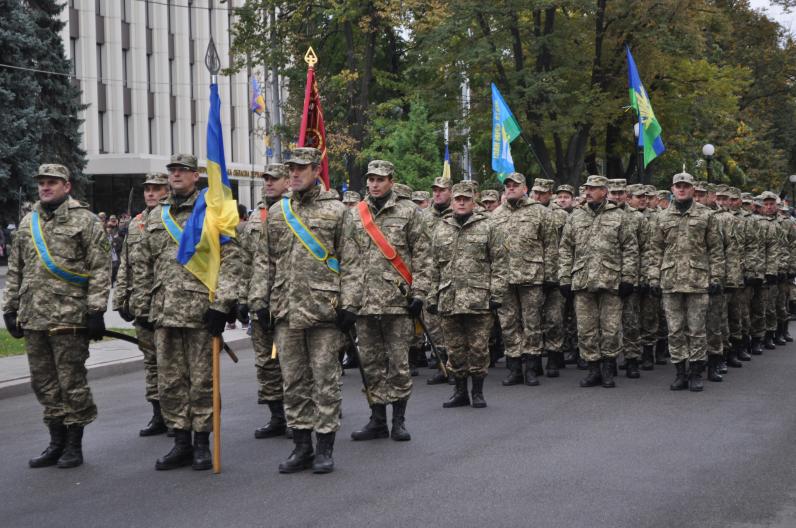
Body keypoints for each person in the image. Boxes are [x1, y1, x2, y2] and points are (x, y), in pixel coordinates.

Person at [131, 154, 240, 471]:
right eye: (172, 171)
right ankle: (181, 442)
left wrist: (222, 305)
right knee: (170, 383)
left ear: (196, 176)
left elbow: (232, 260)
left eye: (183, 171)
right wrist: (141, 308)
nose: (176, 175)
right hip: (164, 313)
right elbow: (143, 266)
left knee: (202, 382)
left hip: (201, 313)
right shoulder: (157, 215)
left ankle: (202, 443)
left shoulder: (213, 210)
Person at [3, 164, 111, 468]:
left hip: (69, 317)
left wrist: (96, 310)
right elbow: (16, 269)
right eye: (42, 183)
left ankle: (74, 444)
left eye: (52, 182)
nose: (45, 187)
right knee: (44, 383)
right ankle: (56, 441)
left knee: (71, 382)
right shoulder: (28, 222)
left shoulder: (86, 221)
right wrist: (9, 308)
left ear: (67, 186)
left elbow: (100, 268)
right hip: (34, 317)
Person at [248, 147, 347, 474]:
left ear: (316, 171)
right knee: (293, 382)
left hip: (325, 312)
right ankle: (302, 447)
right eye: (291, 168)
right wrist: (259, 300)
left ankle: (325, 448)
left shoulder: (336, 210)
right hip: (286, 310)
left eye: (301, 168)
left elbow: (352, 261)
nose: (294, 174)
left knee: (325, 381)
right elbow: (264, 261)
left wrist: (350, 304)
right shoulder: (278, 212)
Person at [340, 160, 431, 442]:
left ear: (391, 180)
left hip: (397, 303)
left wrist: (419, 294)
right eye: (371, 179)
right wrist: (347, 301)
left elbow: (423, 256)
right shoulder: (355, 214)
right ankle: (377, 419)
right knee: (370, 365)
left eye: (380, 179)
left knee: (399, 365)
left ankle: (399, 421)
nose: (374, 184)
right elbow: (346, 259)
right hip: (364, 304)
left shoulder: (409, 212)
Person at [428, 181, 507, 408]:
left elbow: (500, 263)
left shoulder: (488, 226)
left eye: (466, 199)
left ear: (474, 202)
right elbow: (434, 267)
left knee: (479, 348)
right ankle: (460, 391)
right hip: (449, 298)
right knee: (454, 349)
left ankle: (478, 392)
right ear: (452, 202)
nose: (461, 203)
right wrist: (432, 296)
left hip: (478, 299)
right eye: (458, 199)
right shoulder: (441, 228)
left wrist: (497, 294)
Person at [559, 175, 638, 388]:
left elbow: (630, 249)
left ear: (604, 191)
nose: (588, 192)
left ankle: (608, 368)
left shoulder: (619, 216)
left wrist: (628, 278)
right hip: (583, 281)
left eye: (593, 189)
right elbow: (565, 249)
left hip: (611, 281)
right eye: (586, 188)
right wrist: (564, 278)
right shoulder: (576, 216)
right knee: (586, 329)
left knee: (610, 329)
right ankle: (593, 369)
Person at [648, 172, 723, 392]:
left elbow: (716, 249)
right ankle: (680, 372)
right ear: (672, 189)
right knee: (675, 330)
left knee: (697, 329)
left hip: (697, 281)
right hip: (670, 281)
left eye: (686, 186)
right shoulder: (662, 217)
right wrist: (653, 278)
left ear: (692, 189)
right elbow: (655, 250)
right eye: (678, 186)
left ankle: (696, 372)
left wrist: (717, 277)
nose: (681, 189)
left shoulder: (707, 215)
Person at [113, 172, 170, 437]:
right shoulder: (136, 223)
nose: (150, 193)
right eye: (147, 189)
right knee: (151, 363)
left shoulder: (173, 219)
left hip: (169, 303)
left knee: (171, 364)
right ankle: (158, 414)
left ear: (167, 191)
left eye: (156, 188)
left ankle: (177, 416)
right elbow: (126, 263)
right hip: (141, 303)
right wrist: (121, 300)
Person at [237, 164, 290, 439]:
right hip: (259, 301)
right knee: (266, 363)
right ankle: (276, 416)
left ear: (287, 181)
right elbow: (245, 260)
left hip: (289, 301)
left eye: (274, 179)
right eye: (266, 179)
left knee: (292, 362)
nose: (269, 183)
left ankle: (298, 418)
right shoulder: (256, 217)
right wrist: (242, 298)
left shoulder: (295, 212)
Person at [489, 172, 558, 386]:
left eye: (515, 185)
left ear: (525, 189)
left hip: (531, 276)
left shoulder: (540, 212)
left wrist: (550, 276)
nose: (511, 188)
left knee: (532, 323)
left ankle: (531, 367)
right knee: (508, 324)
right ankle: (514, 367)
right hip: (504, 278)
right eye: (508, 185)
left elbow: (551, 246)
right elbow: (489, 248)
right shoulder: (496, 215)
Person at [607, 179, 647, 378]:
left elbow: (646, 249)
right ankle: (610, 360)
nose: (617, 196)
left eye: (620, 193)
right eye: (613, 193)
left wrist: (641, 277)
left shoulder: (637, 217)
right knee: (609, 324)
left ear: (626, 195)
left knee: (631, 322)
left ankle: (632, 359)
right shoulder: (601, 216)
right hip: (607, 278)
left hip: (631, 277)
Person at [422, 177, 453, 384]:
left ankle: (456, 366)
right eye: (435, 190)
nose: (437, 193)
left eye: (442, 190)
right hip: (428, 277)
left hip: (451, 276)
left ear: (451, 192)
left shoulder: (459, 214)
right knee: (433, 325)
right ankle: (442, 366)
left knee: (451, 324)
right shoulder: (423, 217)